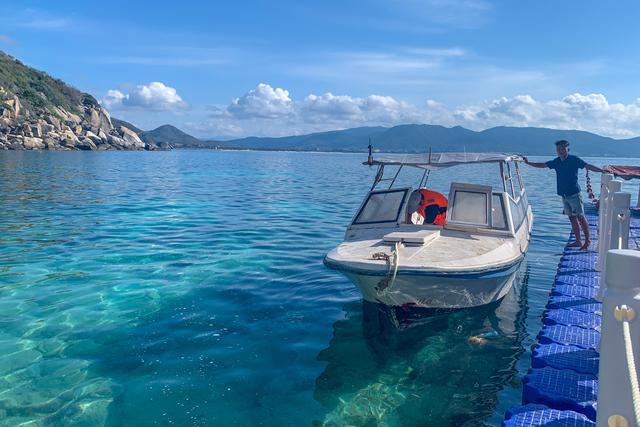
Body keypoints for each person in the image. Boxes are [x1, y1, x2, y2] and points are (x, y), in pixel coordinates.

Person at [523, 140, 603, 250]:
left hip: (574, 193)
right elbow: (543, 165)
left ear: (567, 149)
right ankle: (578, 241)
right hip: (564, 195)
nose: (560, 151)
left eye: (562, 148)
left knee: (580, 217)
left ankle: (587, 241)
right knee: (571, 218)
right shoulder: (557, 162)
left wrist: (602, 171)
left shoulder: (574, 160)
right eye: (558, 149)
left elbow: (588, 166)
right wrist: (528, 163)